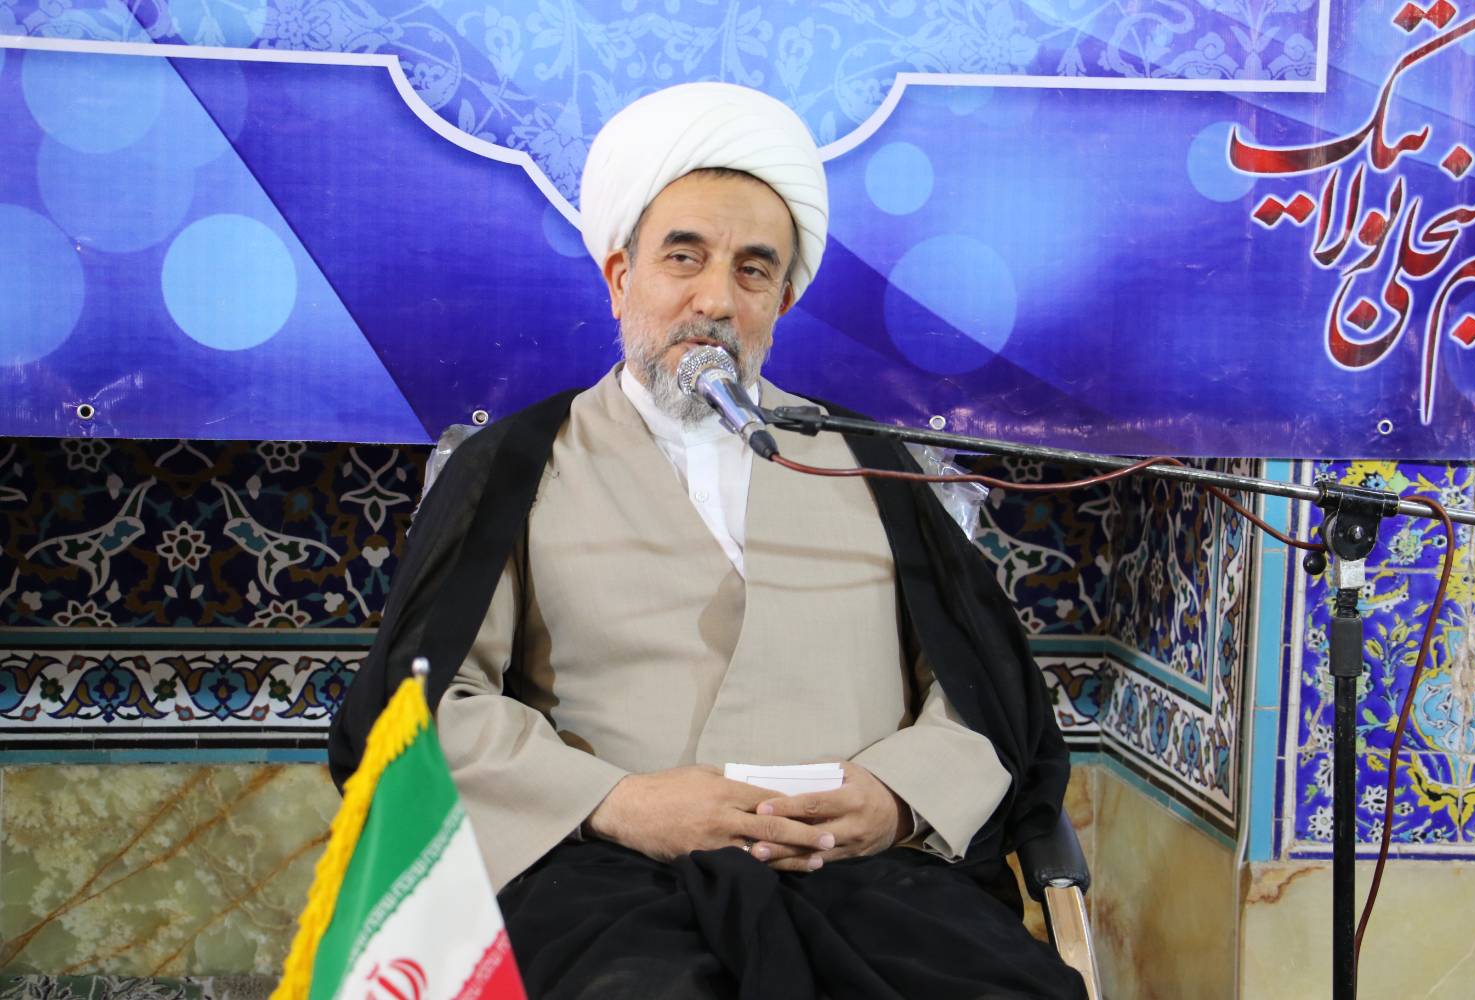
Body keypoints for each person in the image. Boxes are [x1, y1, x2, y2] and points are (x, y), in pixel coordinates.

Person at [329, 83, 1084, 1000]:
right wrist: (617, 802)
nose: (716, 299)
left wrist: (897, 799)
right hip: (605, 880)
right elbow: (423, 705)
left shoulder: (874, 462)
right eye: (683, 257)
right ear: (621, 279)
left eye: (754, 271)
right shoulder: (514, 466)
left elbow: (985, 696)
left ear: (784, 300)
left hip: (871, 883)